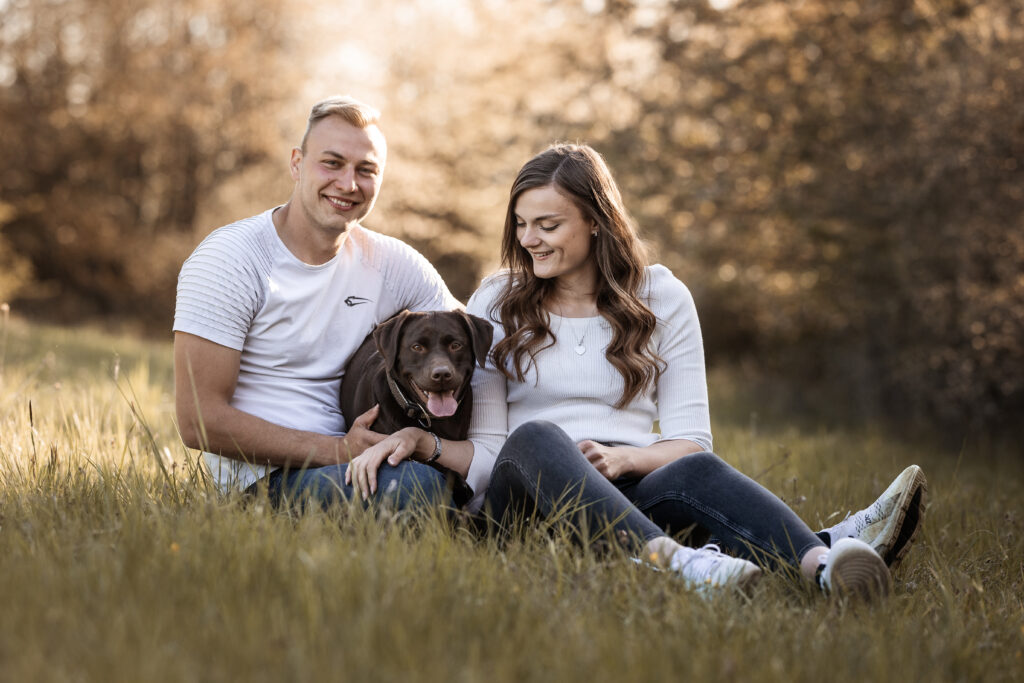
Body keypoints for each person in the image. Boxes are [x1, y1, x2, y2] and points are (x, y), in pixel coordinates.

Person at [455, 143, 927, 598]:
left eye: (547, 225)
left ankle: (823, 568)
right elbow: (490, 447)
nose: (527, 239)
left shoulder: (660, 296)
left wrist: (625, 460)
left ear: (595, 222)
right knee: (537, 435)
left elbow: (692, 440)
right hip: (524, 497)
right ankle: (683, 564)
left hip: (626, 490)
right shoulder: (497, 301)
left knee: (695, 470)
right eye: (520, 224)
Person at [173, 95, 471, 509]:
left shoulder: (392, 262)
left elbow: (473, 337)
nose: (348, 184)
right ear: (297, 163)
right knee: (414, 487)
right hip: (263, 479)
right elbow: (198, 421)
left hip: (362, 462)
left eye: (366, 170)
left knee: (478, 481)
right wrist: (338, 451)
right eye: (332, 163)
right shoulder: (231, 259)